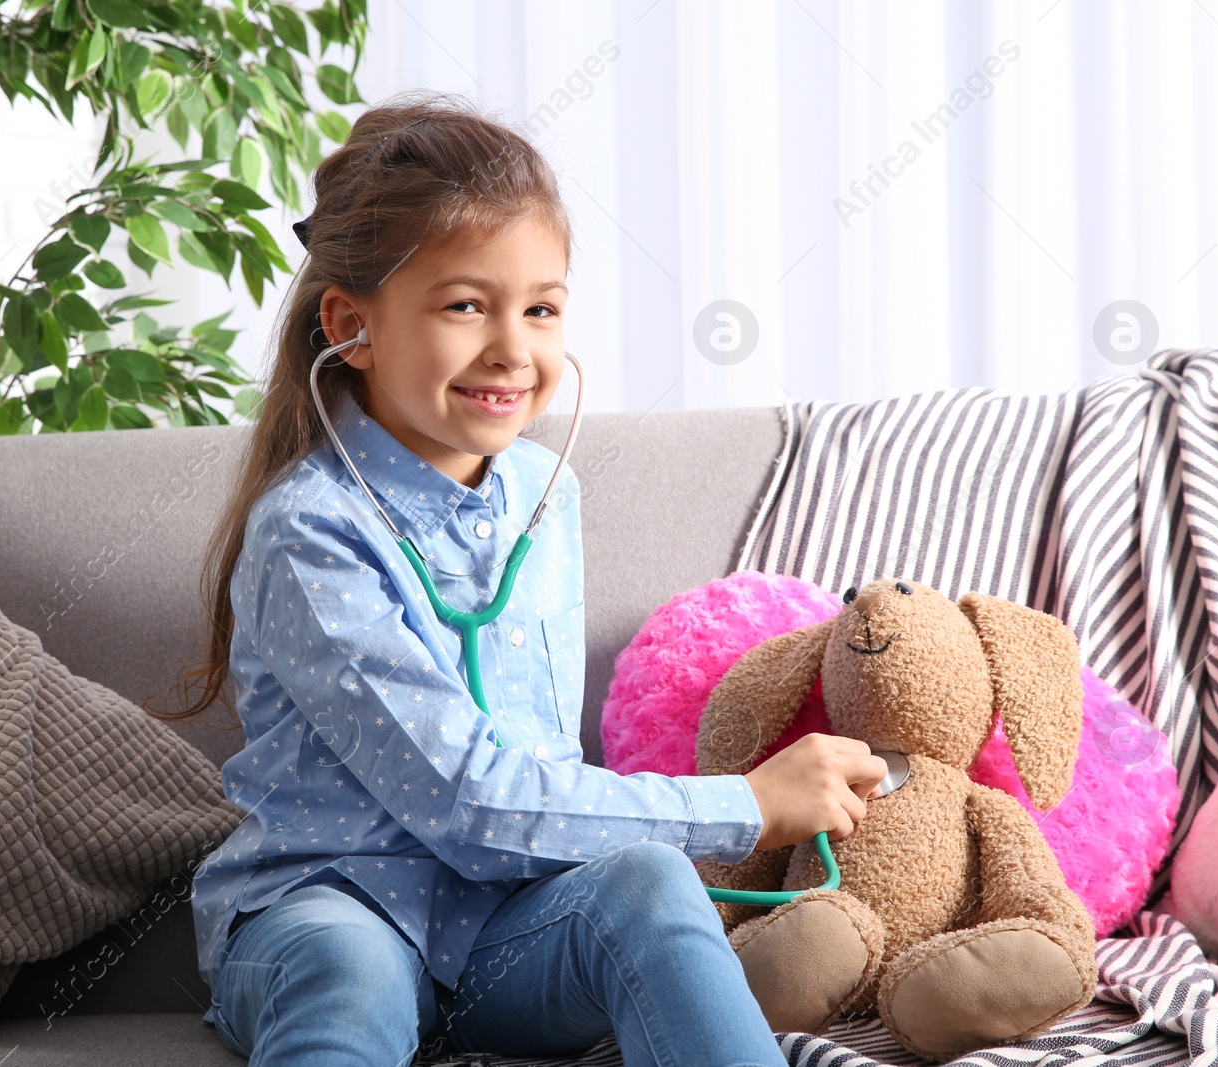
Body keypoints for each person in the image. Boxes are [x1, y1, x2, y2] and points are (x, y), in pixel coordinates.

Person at [148, 90, 890, 1067]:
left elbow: (537, 782)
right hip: (331, 907)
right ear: (353, 325)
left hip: (504, 934)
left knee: (649, 885)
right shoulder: (310, 531)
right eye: (465, 304)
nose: (512, 347)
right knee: (353, 972)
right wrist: (744, 802)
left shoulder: (547, 491)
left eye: (541, 307)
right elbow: (474, 800)